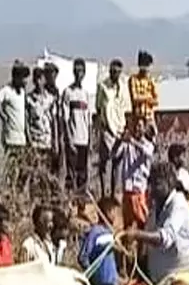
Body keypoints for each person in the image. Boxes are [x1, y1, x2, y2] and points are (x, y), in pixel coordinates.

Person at [119, 162, 189, 285]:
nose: (152, 188)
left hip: (183, 273)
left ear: (170, 183)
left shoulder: (179, 205)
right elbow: (147, 241)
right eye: (151, 182)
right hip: (158, 278)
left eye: (157, 183)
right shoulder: (155, 208)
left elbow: (165, 238)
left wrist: (136, 235)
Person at [0, 62, 31, 195]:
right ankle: (10, 195)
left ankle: (18, 195)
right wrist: (2, 115)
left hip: (22, 139)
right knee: (12, 171)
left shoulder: (22, 93)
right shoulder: (6, 91)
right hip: (11, 138)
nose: (26, 81)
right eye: (23, 78)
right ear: (16, 77)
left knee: (24, 171)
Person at [95, 58, 129, 197]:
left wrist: (125, 129)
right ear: (110, 71)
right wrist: (102, 127)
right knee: (104, 163)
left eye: (118, 72)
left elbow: (126, 109)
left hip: (119, 130)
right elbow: (98, 107)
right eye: (113, 71)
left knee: (117, 164)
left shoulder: (123, 88)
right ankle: (104, 194)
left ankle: (115, 194)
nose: (115, 74)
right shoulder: (102, 87)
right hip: (107, 130)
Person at [114, 114, 155, 228]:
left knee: (143, 223)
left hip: (139, 191)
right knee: (127, 225)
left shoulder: (148, 145)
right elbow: (114, 155)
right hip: (127, 191)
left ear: (144, 128)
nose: (137, 128)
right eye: (135, 126)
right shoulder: (126, 144)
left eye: (140, 126)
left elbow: (147, 153)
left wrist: (132, 141)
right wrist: (119, 140)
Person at [78, 198, 122, 285]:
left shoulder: (110, 233)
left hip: (111, 283)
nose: (116, 216)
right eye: (114, 212)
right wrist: (93, 278)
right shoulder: (96, 232)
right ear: (107, 212)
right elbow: (83, 256)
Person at [27, 63, 63, 185]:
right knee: (35, 173)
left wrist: (56, 141)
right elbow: (27, 121)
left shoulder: (51, 98)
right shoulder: (29, 99)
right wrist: (29, 141)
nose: (38, 82)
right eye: (35, 79)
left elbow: (54, 121)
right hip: (35, 142)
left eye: (40, 78)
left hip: (47, 142)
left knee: (47, 174)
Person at [62, 58, 93, 196]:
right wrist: (68, 140)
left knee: (82, 173)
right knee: (71, 173)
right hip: (73, 139)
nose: (79, 73)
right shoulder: (68, 92)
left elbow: (89, 119)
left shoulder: (86, 94)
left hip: (84, 140)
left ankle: (81, 204)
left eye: (81, 71)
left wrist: (90, 140)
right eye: (77, 70)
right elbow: (65, 118)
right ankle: (70, 204)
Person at [129, 50, 159, 129]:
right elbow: (135, 98)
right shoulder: (133, 79)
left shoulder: (151, 80)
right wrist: (148, 97)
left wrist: (144, 98)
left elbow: (156, 101)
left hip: (149, 117)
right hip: (138, 118)